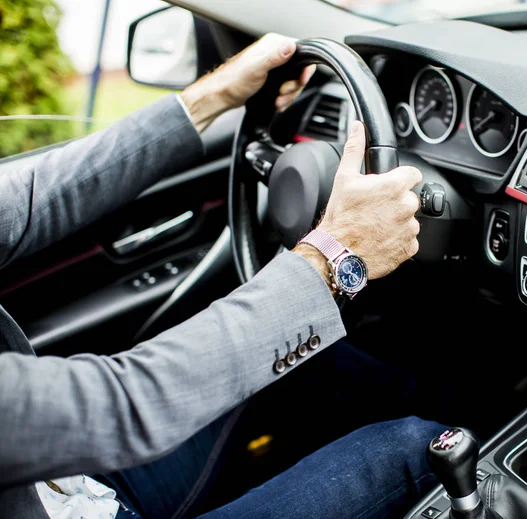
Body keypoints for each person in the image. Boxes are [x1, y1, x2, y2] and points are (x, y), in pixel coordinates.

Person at [0, 33, 444, 519]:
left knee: (314, 360)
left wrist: (211, 97)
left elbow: (29, 200)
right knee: (425, 450)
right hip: (71, 468)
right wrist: (335, 255)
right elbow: (117, 406)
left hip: (63, 481)